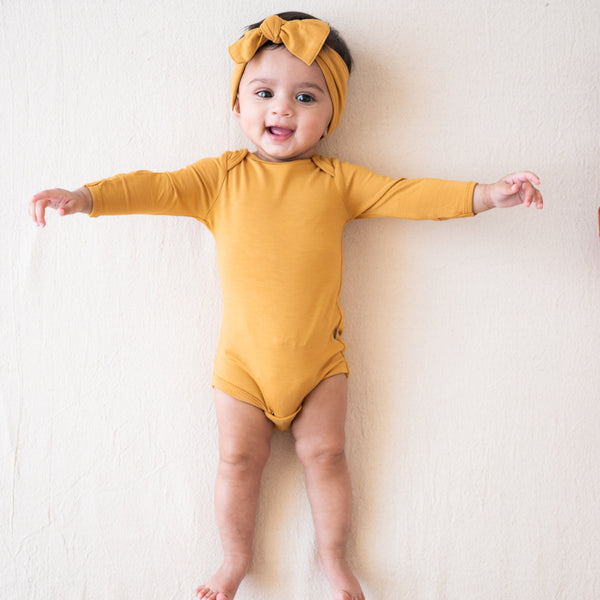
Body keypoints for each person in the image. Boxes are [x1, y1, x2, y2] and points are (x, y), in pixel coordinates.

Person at [28, 11, 543, 600]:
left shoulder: (338, 181)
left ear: (330, 117)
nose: (282, 109)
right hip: (241, 368)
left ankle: (334, 561)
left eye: (305, 97)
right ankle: (232, 563)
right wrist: (86, 196)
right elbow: (153, 186)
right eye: (264, 92)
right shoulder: (218, 179)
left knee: (327, 456)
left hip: (320, 364)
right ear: (239, 105)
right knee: (237, 462)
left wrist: (488, 194)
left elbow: (409, 195)